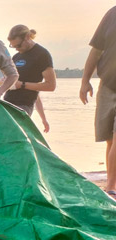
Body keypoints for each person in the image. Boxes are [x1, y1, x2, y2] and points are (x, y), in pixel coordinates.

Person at [80, 6, 116, 201]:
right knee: (109, 138)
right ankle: (113, 183)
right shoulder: (112, 14)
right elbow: (96, 51)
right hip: (108, 86)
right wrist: (85, 81)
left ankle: (110, 188)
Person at [3, 25, 56, 133]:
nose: (16, 49)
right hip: (6, 103)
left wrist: (21, 85)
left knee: (13, 136)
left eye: (18, 45)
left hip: (24, 106)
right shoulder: (16, 57)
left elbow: (51, 85)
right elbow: (36, 92)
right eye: (13, 47)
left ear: (27, 37)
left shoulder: (42, 55)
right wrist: (43, 119)